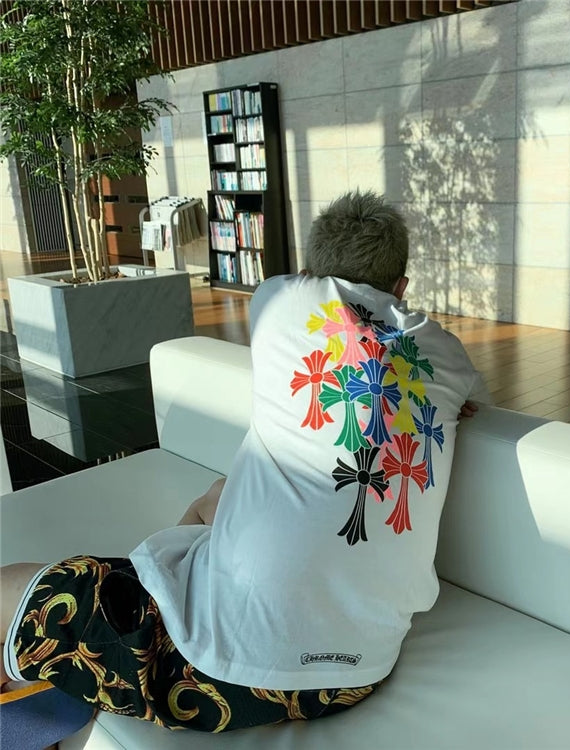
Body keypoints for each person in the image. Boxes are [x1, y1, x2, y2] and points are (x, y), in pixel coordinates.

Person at [1, 190, 488, 731]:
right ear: (401, 287)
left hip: (216, 673)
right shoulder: (446, 354)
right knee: (217, 496)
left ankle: (41, 671)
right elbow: (466, 395)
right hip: (358, 674)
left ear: (308, 273)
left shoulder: (278, 298)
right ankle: (140, 602)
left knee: (15, 585)